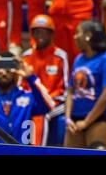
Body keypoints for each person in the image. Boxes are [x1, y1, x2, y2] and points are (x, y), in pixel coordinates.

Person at [64, 20, 106, 149]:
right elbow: (71, 91)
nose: (75, 36)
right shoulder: (78, 59)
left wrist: (86, 122)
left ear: (88, 36)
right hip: (75, 119)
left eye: (78, 33)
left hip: (99, 119)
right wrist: (68, 119)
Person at [22, 14, 69, 146]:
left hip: (57, 102)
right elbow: (21, 86)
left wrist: (53, 100)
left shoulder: (60, 56)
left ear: (51, 34)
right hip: (32, 101)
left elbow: (66, 87)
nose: (40, 35)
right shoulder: (26, 56)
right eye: (36, 32)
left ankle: (37, 150)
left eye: (44, 32)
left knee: (42, 116)